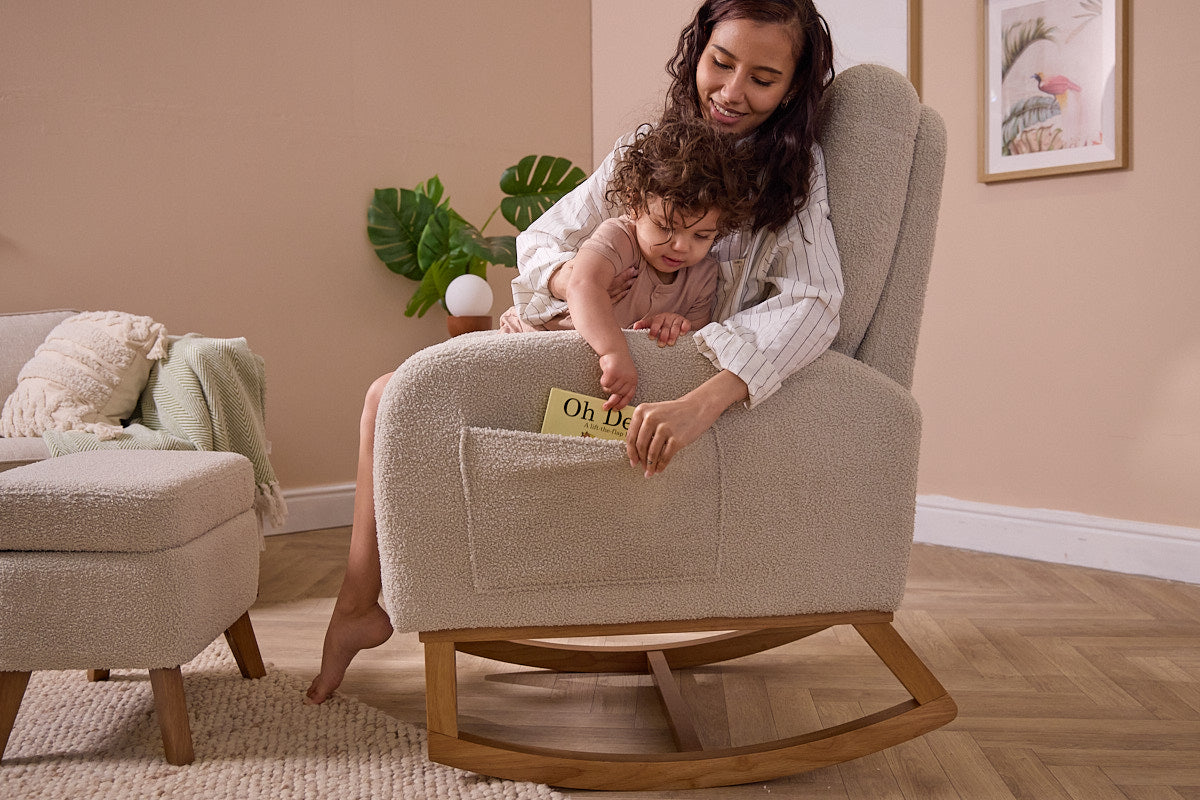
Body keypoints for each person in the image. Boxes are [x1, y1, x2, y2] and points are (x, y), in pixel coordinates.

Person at [306, 0, 840, 705]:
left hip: (648, 390)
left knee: (391, 399)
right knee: (392, 399)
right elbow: (541, 244)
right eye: (721, 63)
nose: (733, 92)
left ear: (794, 88)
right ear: (697, 53)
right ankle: (366, 601)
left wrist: (701, 399)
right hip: (584, 349)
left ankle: (357, 605)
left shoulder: (793, 176)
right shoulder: (651, 149)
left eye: (764, 77)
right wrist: (583, 283)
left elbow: (816, 301)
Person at [498, 115, 757, 410]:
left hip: (600, 375)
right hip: (543, 331)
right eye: (665, 227)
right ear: (635, 205)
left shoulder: (704, 275)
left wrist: (676, 324)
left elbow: (692, 344)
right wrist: (612, 352)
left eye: (701, 235)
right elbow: (583, 286)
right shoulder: (619, 237)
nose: (682, 246)